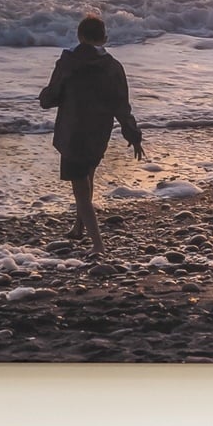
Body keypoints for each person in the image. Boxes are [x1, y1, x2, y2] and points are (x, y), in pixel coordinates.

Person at [39, 14, 143, 260]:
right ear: (104, 38)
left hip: (73, 132)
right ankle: (78, 228)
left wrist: (44, 96)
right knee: (88, 177)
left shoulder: (67, 63)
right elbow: (122, 106)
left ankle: (98, 245)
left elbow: (51, 98)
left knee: (81, 189)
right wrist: (134, 135)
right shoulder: (113, 67)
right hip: (98, 132)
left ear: (79, 36)